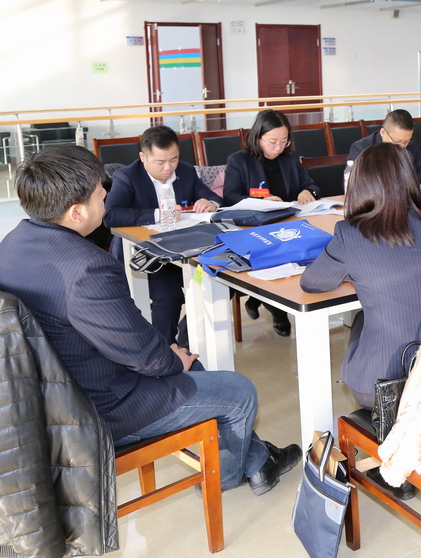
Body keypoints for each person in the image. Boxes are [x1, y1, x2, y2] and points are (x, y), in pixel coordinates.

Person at [0, 146, 301, 496]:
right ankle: (228, 477)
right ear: (77, 212)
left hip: (51, 394)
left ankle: (259, 461)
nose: (106, 196)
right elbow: (144, 357)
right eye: (100, 193)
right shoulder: (87, 267)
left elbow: (123, 337)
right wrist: (171, 359)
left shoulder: (12, 244)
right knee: (239, 391)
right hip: (100, 407)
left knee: (192, 364)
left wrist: (166, 354)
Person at [300, 143, 421, 409]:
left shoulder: (349, 233)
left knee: (362, 316)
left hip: (380, 389)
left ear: (359, 184)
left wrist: (356, 272)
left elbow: (311, 283)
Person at [103, 125, 221, 345]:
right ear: (143, 157)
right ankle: (165, 347)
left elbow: (214, 198)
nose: (169, 167)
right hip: (147, 256)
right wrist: (159, 214)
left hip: (185, 251)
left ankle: (187, 336)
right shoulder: (127, 176)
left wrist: (210, 202)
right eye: (160, 162)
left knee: (217, 279)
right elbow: (111, 215)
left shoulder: (185, 171)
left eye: (173, 159)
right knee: (169, 295)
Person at [224, 109, 321, 337]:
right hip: (254, 228)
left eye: (284, 141)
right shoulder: (239, 161)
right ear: (258, 137)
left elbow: (312, 185)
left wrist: (307, 191)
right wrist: (260, 202)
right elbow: (229, 196)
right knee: (274, 256)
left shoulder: (290, 159)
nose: (279, 147)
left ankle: (259, 298)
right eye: (273, 141)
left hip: (288, 224)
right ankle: (277, 310)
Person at [348, 109, 421, 184]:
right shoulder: (362, 148)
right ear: (383, 132)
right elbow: (355, 183)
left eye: (406, 141)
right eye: (398, 141)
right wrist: (401, 182)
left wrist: (402, 182)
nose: (402, 146)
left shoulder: (411, 144)